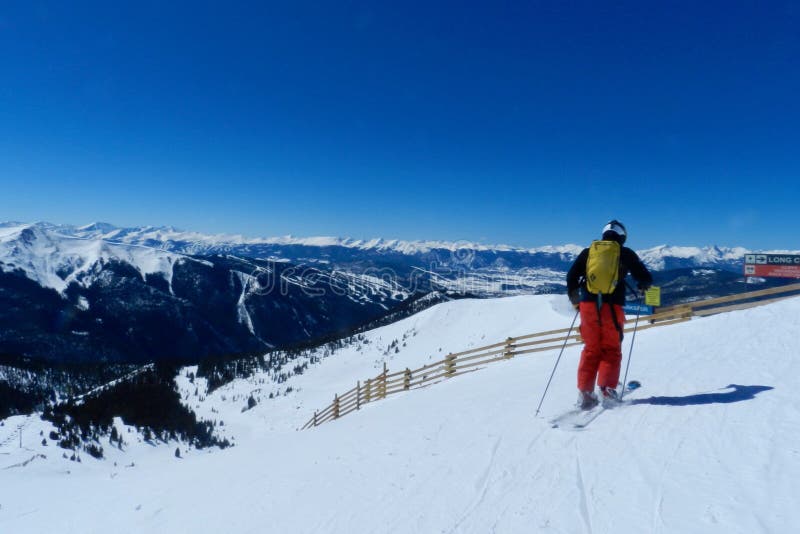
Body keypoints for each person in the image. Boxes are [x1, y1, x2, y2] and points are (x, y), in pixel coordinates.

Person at [566, 220, 653, 409]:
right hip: (611, 308)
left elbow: (571, 276)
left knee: (591, 349)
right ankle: (606, 391)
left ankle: (585, 393)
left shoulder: (588, 252)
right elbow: (645, 277)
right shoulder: (625, 253)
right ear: (622, 236)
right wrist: (643, 285)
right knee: (611, 349)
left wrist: (576, 302)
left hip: (588, 306)